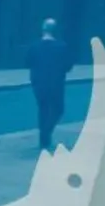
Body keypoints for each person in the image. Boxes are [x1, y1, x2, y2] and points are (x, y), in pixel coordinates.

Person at [27, 17, 73, 151]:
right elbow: (68, 66)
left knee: (42, 109)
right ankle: (47, 132)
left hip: (38, 83)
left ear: (43, 29)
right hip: (56, 83)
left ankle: (43, 139)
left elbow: (28, 62)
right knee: (58, 109)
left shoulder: (34, 46)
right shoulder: (62, 47)